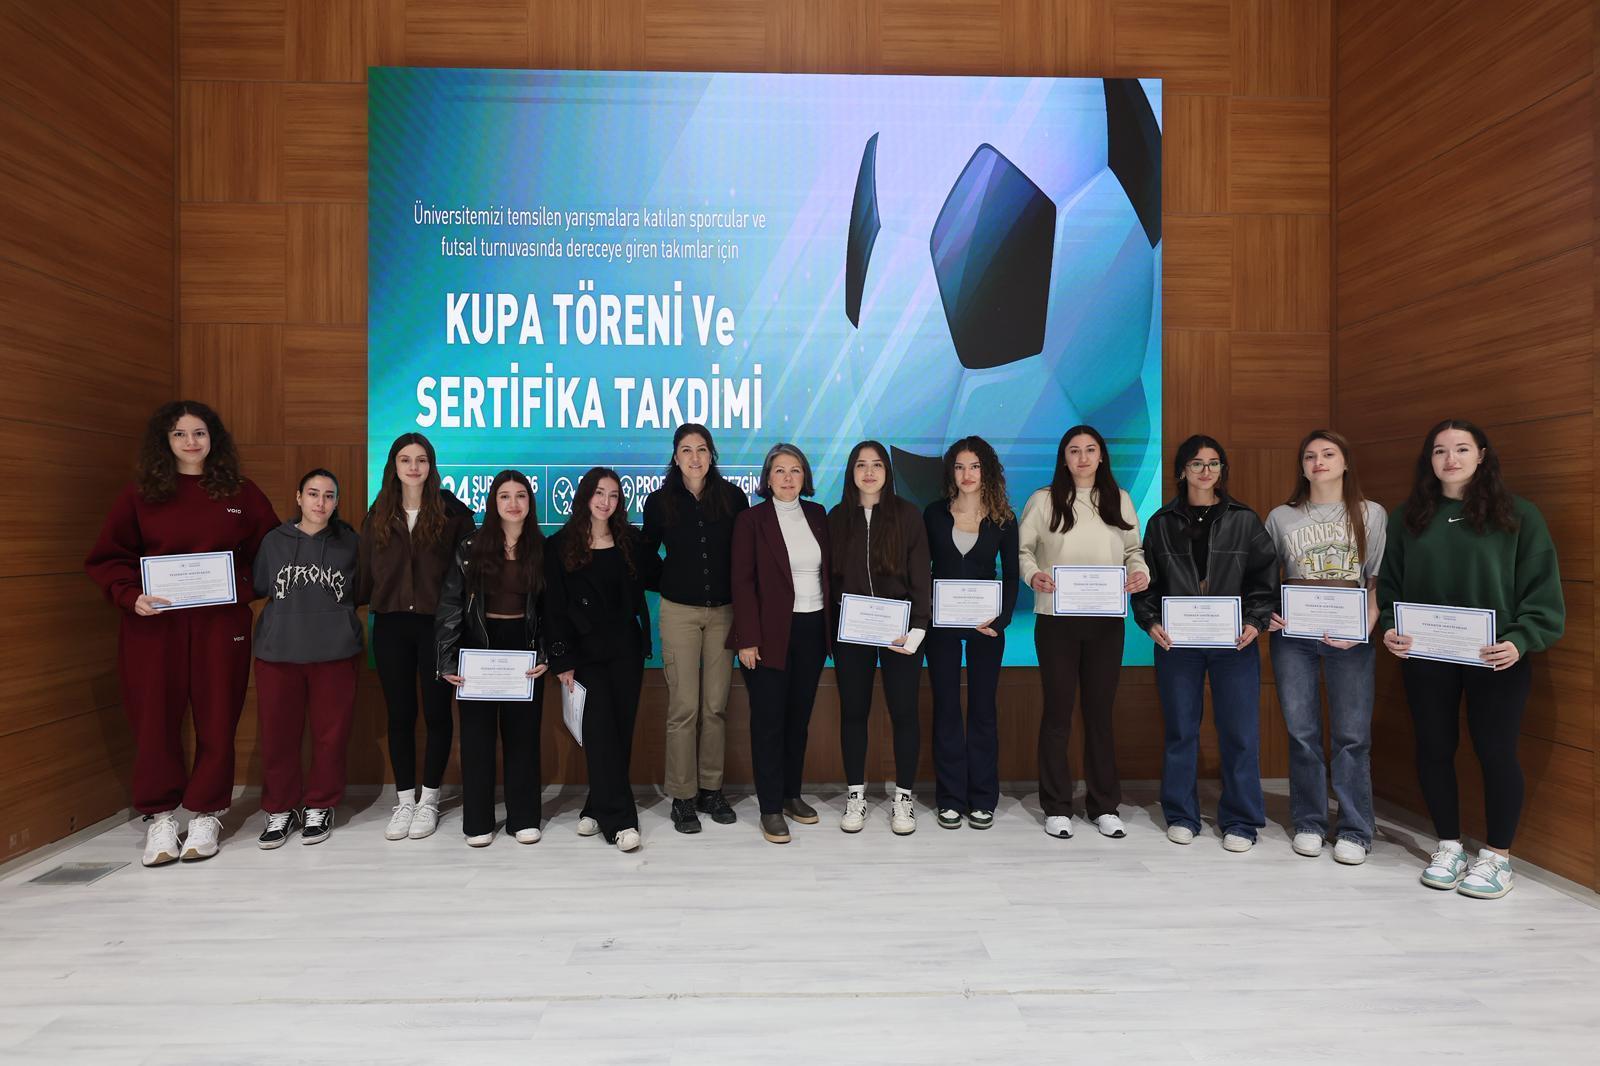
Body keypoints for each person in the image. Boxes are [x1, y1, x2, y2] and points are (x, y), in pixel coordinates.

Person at [85, 400, 279, 866]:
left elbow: (273, 553)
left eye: (199, 433)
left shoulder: (240, 492)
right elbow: (108, 558)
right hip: (155, 627)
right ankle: (160, 817)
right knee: (154, 719)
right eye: (179, 434)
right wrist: (130, 595)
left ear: (214, 439)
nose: (191, 442)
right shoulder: (140, 495)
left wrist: (240, 587)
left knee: (218, 717)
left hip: (221, 625)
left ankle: (208, 812)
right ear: (165, 441)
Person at [1379, 419, 1564, 899]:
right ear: (1429, 460)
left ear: (1482, 455)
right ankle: (1448, 846)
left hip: (1497, 656)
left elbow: (1543, 595)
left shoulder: (1518, 516)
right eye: (1440, 450)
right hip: (1428, 656)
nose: (1451, 459)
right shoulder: (1408, 518)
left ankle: (1498, 857)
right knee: (1434, 748)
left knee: (1496, 751)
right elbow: (1390, 587)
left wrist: (1521, 640)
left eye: (1462, 449)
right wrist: (1391, 627)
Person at [1133, 434, 1277, 852]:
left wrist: (1255, 621)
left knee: (1240, 733)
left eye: (1214, 463)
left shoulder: (1244, 520)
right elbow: (1146, 584)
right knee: (1181, 730)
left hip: (1234, 643)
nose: (1206, 471)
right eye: (1196, 463)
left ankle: (1242, 821)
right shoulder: (1161, 523)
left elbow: (1265, 579)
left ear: (1222, 470)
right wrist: (1150, 622)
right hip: (1177, 645)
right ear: (1182, 471)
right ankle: (1181, 814)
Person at [1018, 425, 1149, 840]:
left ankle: (1104, 805)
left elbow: (1134, 551)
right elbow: (1023, 551)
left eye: (1090, 450)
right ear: (1064, 458)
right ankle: (1057, 806)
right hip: (1055, 620)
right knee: (1057, 713)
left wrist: (1140, 573)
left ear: (1101, 456)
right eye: (1074, 451)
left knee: (1099, 714)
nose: (1083, 457)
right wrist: (1032, 575)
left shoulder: (1118, 499)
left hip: (1106, 621)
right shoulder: (1043, 500)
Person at [1264, 430, 1387, 866]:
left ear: (1345, 462)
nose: (1318, 462)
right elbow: (1266, 576)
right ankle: (1309, 822)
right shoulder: (1281, 516)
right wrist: (1266, 613)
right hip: (1294, 635)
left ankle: (1355, 828)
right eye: (1310, 456)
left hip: (1350, 633)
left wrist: (1366, 626)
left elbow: (1375, 579)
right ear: (1301, 467)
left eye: (1328, 454)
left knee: (1352, 735)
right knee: (1302, 733)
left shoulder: (1371, 513)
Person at [357, 432, 475, 842]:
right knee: (400, 716)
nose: (413, 467)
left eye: (421, 459)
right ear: (393, 465)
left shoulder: (454, 514)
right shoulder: (377, 515)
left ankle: (429, 800)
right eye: (405, 459)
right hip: (391, 627)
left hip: (438, 629)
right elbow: (364, 576)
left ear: (431, 465)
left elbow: (468, 579)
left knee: (439, 715)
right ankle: (404, 800)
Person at [641, 423, 749, 834]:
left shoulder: (733, 498)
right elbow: (645, 555)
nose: (695, 457)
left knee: (715, 706)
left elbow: (744, 556)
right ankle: (683, 796)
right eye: (686, 450)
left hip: (724, 613)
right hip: (679, 614)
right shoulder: (659, 502)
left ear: (712, 454)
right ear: (675, 456)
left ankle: (711, 790)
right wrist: (671, 580)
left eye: (701, 449)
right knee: (684, 707)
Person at [435, 470, 549, 847]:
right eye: (504, 496)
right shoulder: (470, 547)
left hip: (524, 649)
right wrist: (447, 659)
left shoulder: (542, 548)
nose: (513, 503)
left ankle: (524, 818)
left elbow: (552, 609)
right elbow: (450, 604)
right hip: (478, 648)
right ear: (493, 502)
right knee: (477, 738)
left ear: (530, 503)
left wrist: (546, 652)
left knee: (523, 737)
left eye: (520, 496)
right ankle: (478, 821)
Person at [545, 468, 656, 853]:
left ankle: (596, 805)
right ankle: (621, 822)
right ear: (585, 497)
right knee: (599, 732)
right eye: (599, 493)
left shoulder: (631, 542)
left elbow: (659, 576)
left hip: (626, 649)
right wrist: (561, 658)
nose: (606, 501)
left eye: (613, 495)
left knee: (619, 733)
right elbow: (553, 607)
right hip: (584, 655)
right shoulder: (559, 546)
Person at [252, 468, 363, 848]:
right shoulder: (274, 542)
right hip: (279, 654)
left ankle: (320, 804)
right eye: (313, 494)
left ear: (337, 502)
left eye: (329, 495)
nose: (321, 502)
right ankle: (280, 808)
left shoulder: (350, 543)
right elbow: (261, 585)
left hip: (335, 654)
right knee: (278, 736)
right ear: (299, 497)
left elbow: (361, 590)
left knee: (331, 736)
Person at [729, 443, 832, 844]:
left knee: (798, 720)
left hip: (812, 629)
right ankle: (770, 807)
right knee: (769, 722)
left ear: (805, 477)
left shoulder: (818, 515)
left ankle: (791, 795)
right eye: (780, 471)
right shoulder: (751, 520)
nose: (788, 478)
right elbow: (742, 583)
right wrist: (747, 639)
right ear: (767, 478)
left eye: (795, 470)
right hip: (768, 635)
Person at [828, 441, 932, 835]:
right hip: (852, 633)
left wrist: (918, 628)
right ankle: (855, 794)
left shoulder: (908, 515)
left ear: (887, 471)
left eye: (876, 465)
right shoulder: (837, 517)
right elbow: (830, 579)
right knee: (853, 712)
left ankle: (903, 797)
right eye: (861, 465)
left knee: (904, 712)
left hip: (900, 633)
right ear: (851, 472)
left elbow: (921, 574)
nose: (869, 472)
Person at [923, 437, 1019, 832]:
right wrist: (927, 612)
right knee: (946, 708)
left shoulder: (1003, 519)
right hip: (941, 628)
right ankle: (949, 798)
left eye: (975, 466)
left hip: (987, 629)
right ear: (951, 472)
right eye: (960, 466)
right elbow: (921, 569)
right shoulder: (933, 514)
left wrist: (1001, 621)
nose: (967, 474)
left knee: (982, 710)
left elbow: (1011, 575)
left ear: (987, 471)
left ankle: (982, 798)